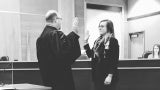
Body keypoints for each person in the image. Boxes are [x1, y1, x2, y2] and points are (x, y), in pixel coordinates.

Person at [36, 10, 81, 90]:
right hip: (61, 80)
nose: (61, 22)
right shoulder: (55, 34)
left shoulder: (40, 38)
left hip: (48, 80)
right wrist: (74, 33)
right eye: (61, 19)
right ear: (56, 19)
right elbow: (66, 55)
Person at [84, 19, 119, 90]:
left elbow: (114, 60)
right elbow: (90, 55)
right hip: (97, 74)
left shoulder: (113, 41)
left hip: (106, 75)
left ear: (109, 28)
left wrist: (110, 76)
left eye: (102, 26)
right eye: (99, 26)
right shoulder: (97, 41)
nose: (99, 28)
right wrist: (86, 41)